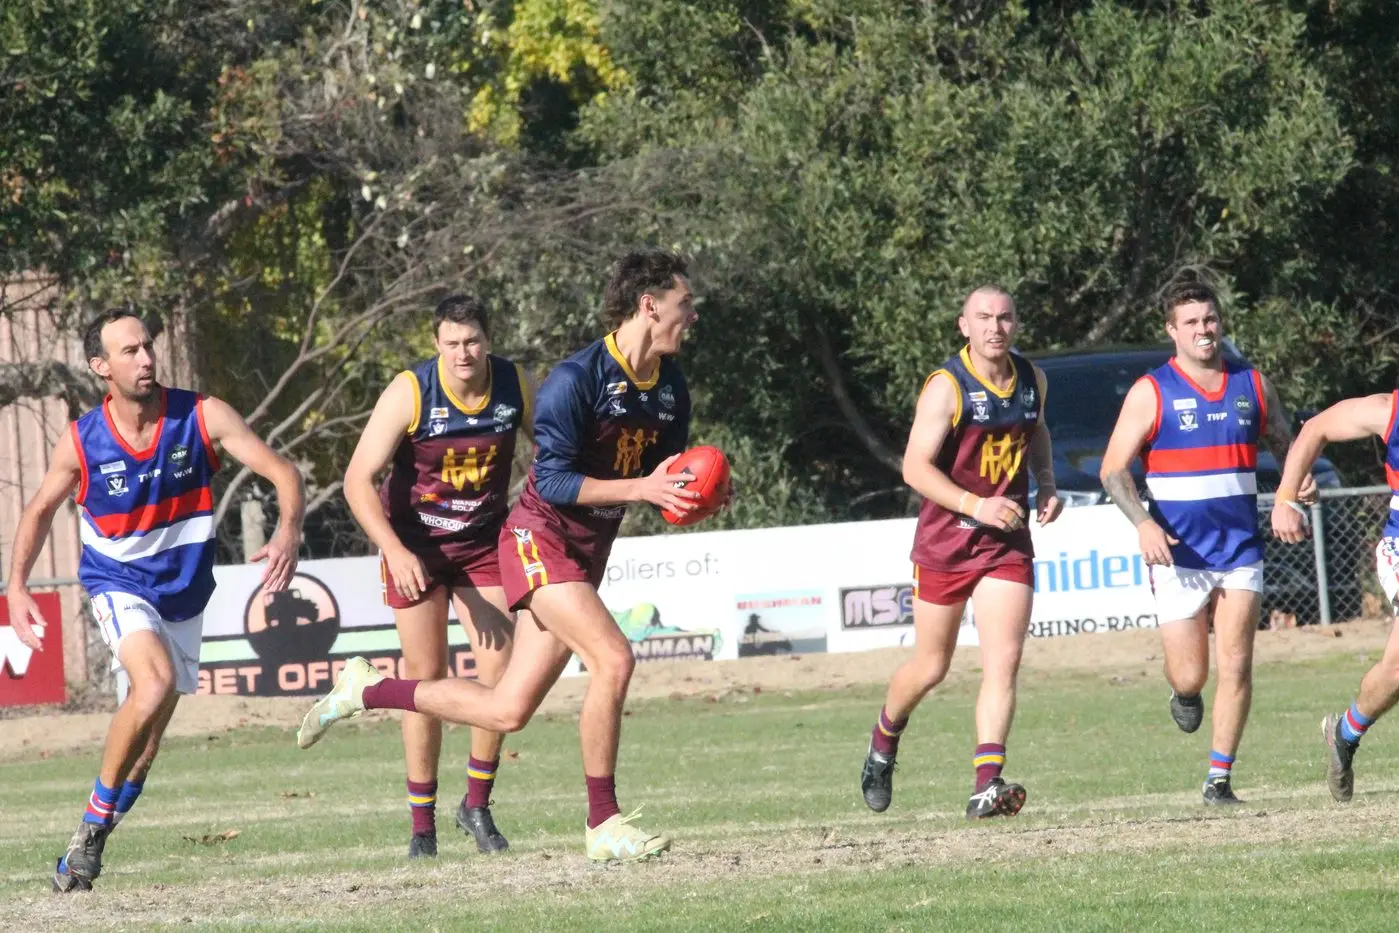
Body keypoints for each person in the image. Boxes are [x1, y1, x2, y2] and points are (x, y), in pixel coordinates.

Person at [298, 248, 703, 862]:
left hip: (578, 551)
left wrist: (691, 492)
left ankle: (369, 690)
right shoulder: (577, 378)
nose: (692, 315)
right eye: (685, 303)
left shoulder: (669, 387)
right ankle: (602, 822)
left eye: (473, 341)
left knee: (507, 709)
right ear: (650, 305)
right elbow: (559, 481)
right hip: (539, 540)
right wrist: (643, 489)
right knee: (614, 658)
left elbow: (662, 471)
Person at [5, 308, 304, 892]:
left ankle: (79, 854)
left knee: (146, 752)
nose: (146, 359)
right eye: (129, 352)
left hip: (184, 594)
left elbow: (283, 471)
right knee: (154, 682)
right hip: (117, 581)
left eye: (147, 347)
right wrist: (17, 586)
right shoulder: (83, 440)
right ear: (100, 367)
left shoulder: (201, 415)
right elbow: (39, 510)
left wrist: (288, 527)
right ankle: (92, 830)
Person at [1098, 281, 1314, 804]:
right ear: (1172, 330)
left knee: (1237, 664)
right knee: (1193, 673)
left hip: (1241, 548)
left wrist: (1295, 489)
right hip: (1178, 552)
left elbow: (1289, 448)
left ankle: (1219, 779)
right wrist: (1143, 525)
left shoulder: (1253, 385)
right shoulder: (1152, 391)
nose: (1203, 330)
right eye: (1191, 322)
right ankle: (1182, 691)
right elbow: (1111, 470)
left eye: (1210, 319)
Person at [860, 286, 1063, 820]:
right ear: (964, 326)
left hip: (1006, 541)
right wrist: (977, 504)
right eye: (984, 318)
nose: (996, 327)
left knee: (1004, 661)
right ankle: (883, 741)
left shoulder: (1032, 379)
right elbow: (914, 468)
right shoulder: (947, 387)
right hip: (946, 541)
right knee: (931, 666)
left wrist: (1045, 480)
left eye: (1005, 317)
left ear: (1016, 324)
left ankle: (985, 785)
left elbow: (1036, 429)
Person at [342, 294, 532, 858]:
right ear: (436, 345)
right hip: (416, 546)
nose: (463, 352)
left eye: (472, 340)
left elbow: (554, 453)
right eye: (451, 343)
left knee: (500, 676)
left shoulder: (515, 384)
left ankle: (476, 804)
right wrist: (394, 549)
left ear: (488, 341)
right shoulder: (411, 390)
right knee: (426, 679)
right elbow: (358, 479)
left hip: (481, 544)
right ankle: (421, 826)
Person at [1270, 386, 1398, 804]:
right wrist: (1286, 496)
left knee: (1394, 673)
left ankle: (1344, 732)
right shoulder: (1388, 410)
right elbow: (1315, 429)